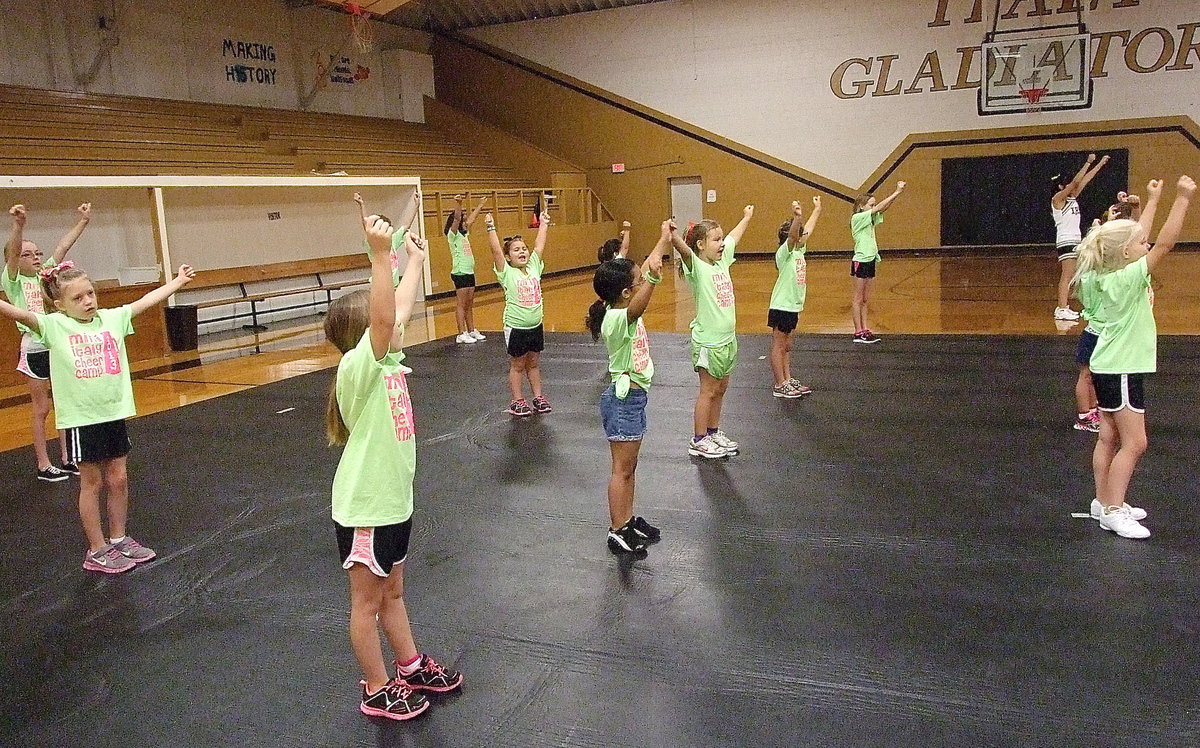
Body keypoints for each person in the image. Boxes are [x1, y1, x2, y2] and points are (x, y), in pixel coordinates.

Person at [325, 212, 463, 721]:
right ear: (363, 336)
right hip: (366, 506)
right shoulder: (358, 367)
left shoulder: (386, 361)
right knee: (367, 603)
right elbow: (385, 319)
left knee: (394, 590)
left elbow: (394, 310)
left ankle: (407, 664)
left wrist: (414, 260)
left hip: (393, 502)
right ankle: (376, 687)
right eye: (385, 323)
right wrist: (379, 256)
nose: (400, 323)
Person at [0, 260, 196, 572]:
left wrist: (177, 282)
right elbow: (19, 313)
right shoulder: (54, 326)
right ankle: (97, 548)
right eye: (77, 298)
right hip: (81, 419)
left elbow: (144, 302)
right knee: (91, 483)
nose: (88, 301)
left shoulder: (111, 319)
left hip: (112, 414)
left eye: (90, 293)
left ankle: (118, 538)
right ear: (60, 304)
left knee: (118, 478)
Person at [1072, 175, 1194, 539]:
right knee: (1135, 442)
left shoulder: (1100, 274)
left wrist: (1149, 203)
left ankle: (1103, 501)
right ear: (1126, 253)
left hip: (1109, 364)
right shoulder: (1125, 278)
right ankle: (1112, 510)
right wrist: (1182, 197)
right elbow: (1167, 244)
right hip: (1122, 367)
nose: (1147, 243)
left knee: (1108, 436)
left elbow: (1128, 239)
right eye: (1142, 243)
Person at [585, 220, 670, 553]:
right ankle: (616, 529)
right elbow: (640, 303)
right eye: (637, 282)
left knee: (629, 467)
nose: (642, 280)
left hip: (634, 399)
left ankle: (628, 519)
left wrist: (663, 240)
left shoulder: (619, 306)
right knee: (621, 469)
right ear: (625, 292)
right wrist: (652, 280)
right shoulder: (617, 318)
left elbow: (645, 267)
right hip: (623, 403)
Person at [4, 202, 92, 481]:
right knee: (41, 408)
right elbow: (14, 250)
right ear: (16, 260)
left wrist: (83, 222)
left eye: (37, 253)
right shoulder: (13, 280)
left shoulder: (45, 277)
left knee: (63, 403)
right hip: (34, 346)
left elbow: (62, 249)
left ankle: (67, 458)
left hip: (55, 343)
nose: (35, 257)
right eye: (27, 254)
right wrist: (19, 226)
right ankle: (44, 464)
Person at [670, 205, 754, 458]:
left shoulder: (722, 262)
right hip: (708, 342)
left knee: (721, 389)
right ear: (700, 245)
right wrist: (672, 235)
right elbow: (683, 251)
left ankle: (713, 431)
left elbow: (734, 237)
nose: (722, 243)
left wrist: (746, 217)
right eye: (715, 240)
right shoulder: (697, 267)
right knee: (708, 390)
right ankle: (699, 439)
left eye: (721, 238)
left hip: (728, 340)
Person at [1072, 189, 1152, 434]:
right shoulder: (1100, 276)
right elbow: (1123, 245)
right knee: (1087, 375)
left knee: (1093, 376)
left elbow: (1134, 238)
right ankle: (1085, 415)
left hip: (1105, 331)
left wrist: (1134, 211)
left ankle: (1097, 410)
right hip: (1098, 331)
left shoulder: (1108, 270)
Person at [485, 209, 552, 416]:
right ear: (508, 257)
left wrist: (544, 224)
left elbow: (539, 246)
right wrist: (490, 227)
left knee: (533, 363)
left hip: (535, 326)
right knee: (518, 365)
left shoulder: (533, 267)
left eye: (524, 248)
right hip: (516, 327)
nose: (522, 252)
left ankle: (538, 397)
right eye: (516, 250)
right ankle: (517, 400)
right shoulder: (506, 273)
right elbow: (496, 251)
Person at [768, 197, 822, 398]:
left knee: (787, 346)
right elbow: (793, 236)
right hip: (781, 305)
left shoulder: (800, 250)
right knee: (779, 344)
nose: (803, 237)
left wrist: (817, 209)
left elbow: (807, 230)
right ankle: (779, 384)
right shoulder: (785, 253)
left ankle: (788, 379)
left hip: (793, 306)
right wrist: (797, 216)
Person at [1051, 153, 1109, 320]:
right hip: (1066, 240)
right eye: (1066, 184)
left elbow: (1084, 181)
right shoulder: (1057, 200)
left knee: (1077, 274)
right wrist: (1088, 162)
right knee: (1067, 275)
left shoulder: (1072, 198)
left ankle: (1066, 306)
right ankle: (1061, 308)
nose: (1070, 185)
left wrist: (1099, 165)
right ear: (1061, 187)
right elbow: (1076, 182)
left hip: (1076, 240)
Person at [850, 181, 905, 343]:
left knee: (865, 298)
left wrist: (897, 195)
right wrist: (896, 192)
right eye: (870, 204)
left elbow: (883, 208)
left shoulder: (870, 218)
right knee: (858, 298)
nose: (874, 207)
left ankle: (865, 329)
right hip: (861, 259)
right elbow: (880, 207)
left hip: (871, 259)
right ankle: (857, 331)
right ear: (861, 206)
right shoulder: (858, 218)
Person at [445, 194, 489, 344]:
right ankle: (461, 333)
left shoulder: (464, 235)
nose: (465, 222)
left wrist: (480, 205)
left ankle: (471, 330)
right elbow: (457, 218)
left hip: (469, 272)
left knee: (469, 303)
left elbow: (471, 219)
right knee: (462, 304)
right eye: (462, 221)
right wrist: (458, 203)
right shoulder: (453, 235)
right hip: (460, 272)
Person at [353, 191, 421, 287]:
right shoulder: (373, 244)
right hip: (380, 286)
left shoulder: (393, 240)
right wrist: (361, 204)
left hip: (394, 285)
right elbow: (366, 224)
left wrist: (416, 206)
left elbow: (406, 225)